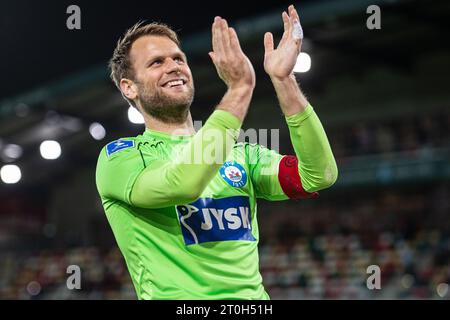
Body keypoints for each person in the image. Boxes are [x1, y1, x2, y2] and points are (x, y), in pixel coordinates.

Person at [96, 4, 338, 299]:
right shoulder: (121, 158)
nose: (173, 66)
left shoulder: (241, 154)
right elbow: (182, 184)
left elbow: (318, 175)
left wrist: (283, 80)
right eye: (156, 62)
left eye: (178, 58)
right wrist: (239, 89)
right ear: (129, 87)